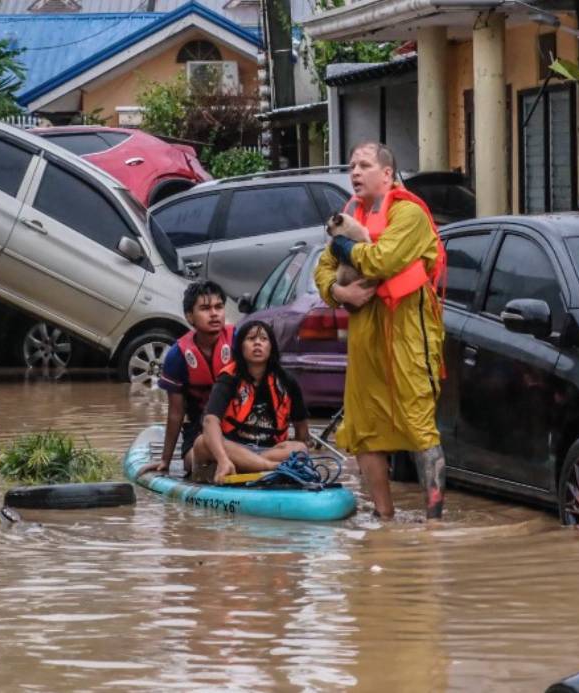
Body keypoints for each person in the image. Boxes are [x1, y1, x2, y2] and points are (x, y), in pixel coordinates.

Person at [313, 141, 448, 520]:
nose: (354, 172)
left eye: (365, 165)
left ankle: (434, 524)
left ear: (387, 174)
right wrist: (340, 291)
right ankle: (384, 517)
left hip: (407, 335)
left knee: (420, 426)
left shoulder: (409, 214)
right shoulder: (351, 213)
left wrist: (341, 246)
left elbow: (381, 260)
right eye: (352, 165)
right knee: (364, 428)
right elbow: (321, 270)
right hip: (363, 337)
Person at [191, 320, 311, 482]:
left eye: (263, 339)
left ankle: (250, 465)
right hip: (232, 449)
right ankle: (270, 468)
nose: (257, 343)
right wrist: (223, 459)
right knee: (202, 442)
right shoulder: (229, 378)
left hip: (268, 450)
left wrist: (299, 457)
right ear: (241, 347)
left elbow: (301, 430)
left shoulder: (287, 381)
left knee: (300, 449)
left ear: (271, 347)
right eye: (251, 339)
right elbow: (210, 421)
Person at [138, 281, 234, 477]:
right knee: (193, 460)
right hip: (199, 433)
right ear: (190, 317)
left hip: (238, 429)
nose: (214, 314)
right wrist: (165, 460)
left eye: (219, 307)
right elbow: (175, 413)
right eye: (205, 309)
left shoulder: (239, 342)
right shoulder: (177, 355)